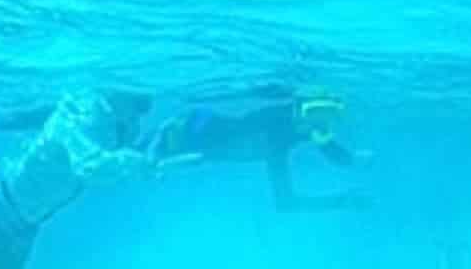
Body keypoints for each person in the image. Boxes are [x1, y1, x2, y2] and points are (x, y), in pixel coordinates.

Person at [0, 88, 362, 269]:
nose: (140, 115)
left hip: (27, 224)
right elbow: (88, 164)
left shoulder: (111, 121)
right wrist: (141, 164)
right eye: (136, 105)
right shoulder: (80, 113)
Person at [145, 89, 368, 212]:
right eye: (312, 112)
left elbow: (286, 203)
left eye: (327, 116)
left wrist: (343, 196)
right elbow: (286, 202)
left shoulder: (279, 145)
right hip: (183, 135)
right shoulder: (274, 131)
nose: (315, 123)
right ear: (297, 108)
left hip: (187, 139)